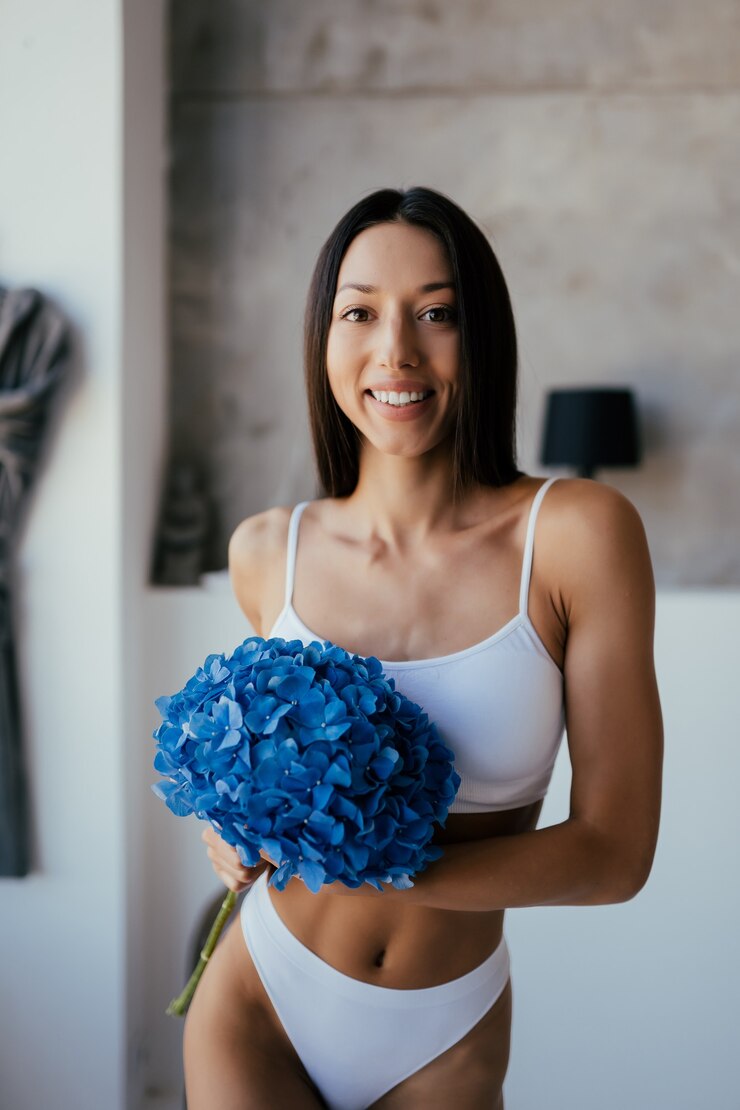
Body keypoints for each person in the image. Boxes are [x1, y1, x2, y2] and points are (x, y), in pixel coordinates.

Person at [183, 186, 663, 1109]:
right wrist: (233, 834)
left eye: (436, 314)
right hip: (260, 997)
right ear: (323, 339)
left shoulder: (577, 535)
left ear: (482, 336)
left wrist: (376, 864)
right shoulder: (265, 551)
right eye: (359, 312)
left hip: (442, 1032)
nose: (395, 350)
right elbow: (259, 779)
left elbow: (615, 856)